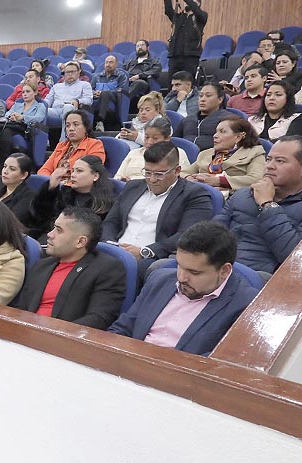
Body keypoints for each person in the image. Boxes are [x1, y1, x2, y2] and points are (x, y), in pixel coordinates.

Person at [108, 221, 258, 356]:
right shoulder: (159, 279)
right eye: (179, 266)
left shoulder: (247, 304)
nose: (181, 278)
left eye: (194, 272)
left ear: (224, 271)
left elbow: (219, 363)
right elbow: (123, 329)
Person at [103, 141, 215, 279]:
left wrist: (145, 251)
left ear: (177, 170)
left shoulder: (195, 194)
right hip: (117, 249)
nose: (152, 179)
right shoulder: (132, 186)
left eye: (159, 174)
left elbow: (187, 235)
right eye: (147, 172)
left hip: (152, 256)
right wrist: (110, 245)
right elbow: (111, 222)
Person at [12, 207, 127, 330]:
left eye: (59, 230)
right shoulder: (41, 266)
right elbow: (22, 309)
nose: (50, 234)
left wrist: (53, 331)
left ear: (80, 242)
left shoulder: (107, 269)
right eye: (53, 227)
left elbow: (98, 319)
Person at [212, 136, 302, 276]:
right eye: (268, 159)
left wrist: (268, 205)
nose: (270, 166)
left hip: (266, 280)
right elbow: (212, 234)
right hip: (220, 269)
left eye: (280, 161)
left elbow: (293, 260)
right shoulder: (242, 195)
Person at [31, 155, 115, 239]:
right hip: (47, 236)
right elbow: (38, 217)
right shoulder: (64, 193)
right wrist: (50, 189)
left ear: (95, 176)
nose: (73, 175)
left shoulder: (103, 204)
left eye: (79, 171)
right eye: (73, 171)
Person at [182, 116, 267, 194]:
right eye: (216, 132)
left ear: (239, 137)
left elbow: (256, 179)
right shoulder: (205, 153)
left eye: (222, 132)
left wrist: (219, 181)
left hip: (232, 198)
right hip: (198, 194)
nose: (215, 136)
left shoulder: (254, 152)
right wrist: (188, 178)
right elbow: (182, 173)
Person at [114, 116, 190, 182]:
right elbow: (118, 177)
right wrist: (121, 180)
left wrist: (133, 182)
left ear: (167, 139)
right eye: (146, 137)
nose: (149, 142)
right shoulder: (133, 153)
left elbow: (181, 178)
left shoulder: (177, 154)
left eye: (155, 138)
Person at [38, 110, 105, 177]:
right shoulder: (61, 145)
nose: (71, 129)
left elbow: (91, 174)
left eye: (76, 124)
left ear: (86, 128)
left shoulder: (95, 144)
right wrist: (50, 182)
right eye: (67, 126)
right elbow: (44, 170)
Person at [164, 0, 207, 80]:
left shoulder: (201, 16)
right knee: (172, 84)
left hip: (190, 57)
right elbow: (168, 10)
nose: (187, 0)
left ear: (198, 4)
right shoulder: (178, 17)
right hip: (174, 55)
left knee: (188, 82)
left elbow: (198, 13)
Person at [0, 84, 47, 161]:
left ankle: (2, 161)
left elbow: (39, 118)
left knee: (6, 131)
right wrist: (12, 116)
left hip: (27, 130)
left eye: (28, 91)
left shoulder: (40, 106)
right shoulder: (17, 105)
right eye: (23, 92)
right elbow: (7, 113)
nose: (25, 94)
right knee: (1, 130)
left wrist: (23, 117)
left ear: (35, 92)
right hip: (13, 126)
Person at [0, 153, 35, 229]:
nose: (5, 171)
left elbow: (9, 222)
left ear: (24, 175)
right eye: (4, 166)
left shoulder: (29, 197)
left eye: (12, 169)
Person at [45, 61, 93, 141]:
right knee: (42, 110)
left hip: (72, 110)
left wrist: (78, 101)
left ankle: (64, 141)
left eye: (72, 72)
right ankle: (45, 141)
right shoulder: (56, 86)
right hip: (55, 111)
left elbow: (88, 100)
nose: (70, 74)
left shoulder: (85, 84)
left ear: (78, 73)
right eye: (67, 72)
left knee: (68, 107)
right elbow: (48, 100)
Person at [173, 83, 228, 151]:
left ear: (220, 99)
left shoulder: (227, 119)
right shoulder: (187, 119)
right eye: (201, 96)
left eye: (208, 96)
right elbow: (174, 141)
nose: (202, 99)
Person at [91, 54, 130, 131]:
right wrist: (94, 92)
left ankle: (100, 121)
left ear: (116, 64)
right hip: (97, 98)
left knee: (105, 93)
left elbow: (122, 90)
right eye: (106, 62)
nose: (108, 64)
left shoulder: (121, 76)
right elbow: (90, 89)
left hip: (114, 98)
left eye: (111, 62)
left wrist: (103, 92)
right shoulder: (97, 76)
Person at [123, 40, 163, 108]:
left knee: (138, 83)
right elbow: (122, 71)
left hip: (143, 82)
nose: (140, 47)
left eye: (142, 45)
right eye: (138, 46)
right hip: (128, 81)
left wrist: (139, 76)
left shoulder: (154, 62)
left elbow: (155, 71)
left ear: (148, 48)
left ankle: (122, 102)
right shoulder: (130, 62)